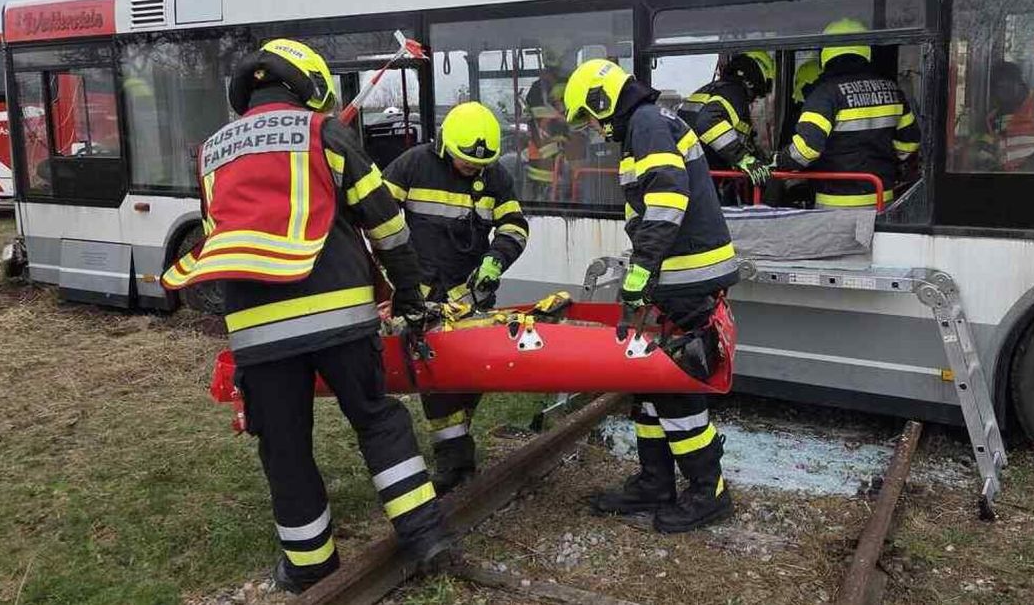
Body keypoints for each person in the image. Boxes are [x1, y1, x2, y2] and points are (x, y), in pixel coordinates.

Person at [160, 39, 448, 593]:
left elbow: (219, 230)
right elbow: (383, 220)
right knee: (377, 420)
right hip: (338, 313)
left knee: (285, 446)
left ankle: (310, 565)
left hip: (257, 329)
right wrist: (409, 293)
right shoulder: (324, 132)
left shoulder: (211, 152)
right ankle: (425, 535)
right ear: (311, 85)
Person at [564, 58, 737, 533]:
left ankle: (709, 491)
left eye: (591, 116)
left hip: (686, 275)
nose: (596, 129)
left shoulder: (645, 125)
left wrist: (641, 267)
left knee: (674, 385)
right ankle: (655, 481)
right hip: (676, 274)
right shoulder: (649, 124)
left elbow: (667, 198)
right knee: (647, 382)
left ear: (602, 101)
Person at [383, 101, 529, 495]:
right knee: (439, 382)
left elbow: (515, 225)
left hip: (473, 295)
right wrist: (395, 279)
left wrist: (497, 259)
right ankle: (455, 465)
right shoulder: (412, 165)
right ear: (446, 146)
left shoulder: (494, 176)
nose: (474, 169)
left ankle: (458, 451)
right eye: (467, 162)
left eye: (480, 164)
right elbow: (376, 217)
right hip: (424, 297)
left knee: (472, 375)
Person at [775, 19, 920, 209]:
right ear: (866, 50)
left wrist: (776, 161)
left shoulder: (825, 93)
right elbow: (910, 144)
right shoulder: (892, 90)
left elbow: (806, 150)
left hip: (836, 206)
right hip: (882, 200)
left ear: (825, 52)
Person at [675, 51, 774, 189]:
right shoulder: (735, 94)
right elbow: (706, 122)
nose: (753, 101)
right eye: (755, 95)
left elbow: (734, 135)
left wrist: (756, 156)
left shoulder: (713, 89)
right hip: (702, 174)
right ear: (751, 83)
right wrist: (742, 158)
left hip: (688, 170)